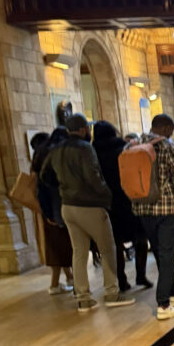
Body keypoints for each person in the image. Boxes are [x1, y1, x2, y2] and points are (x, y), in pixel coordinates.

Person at [41, 114, 133, 312]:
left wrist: (63, 187)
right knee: (107, 249)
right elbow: (93, 177)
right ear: (83, 129)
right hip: (89, 205)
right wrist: (107, 196)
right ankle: (112, 293)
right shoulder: (85, 148)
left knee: (79, 252)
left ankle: (83, 298)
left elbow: (44, 175)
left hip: (67, 206)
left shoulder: (55, 149)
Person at [131, 113, 174, 321]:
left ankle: (173, 292)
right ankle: (163, 303)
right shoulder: (168, 147)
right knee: (167, 256)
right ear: (164, 129)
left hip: (142, 210)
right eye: (170, 131)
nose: (171, 134)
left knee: (159, 253)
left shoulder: (133, 146)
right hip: (166, 210)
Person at [92, 120, 151, 292]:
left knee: (115, 243)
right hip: (129, 198)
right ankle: (141, 275)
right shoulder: (124, 149)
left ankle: (122, 280)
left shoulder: (93, 153)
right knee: (141, 238)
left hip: (108, 203)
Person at [31, 129, 73, 294]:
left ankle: (67, 279)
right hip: (57, 209)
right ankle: (56, 284)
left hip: (46, 211)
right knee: (61, 247)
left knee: (56, 247)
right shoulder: (52, 156)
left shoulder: (38, 158)